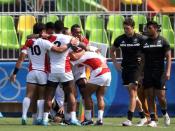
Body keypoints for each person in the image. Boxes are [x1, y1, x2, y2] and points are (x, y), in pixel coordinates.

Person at [10, 22, 74, 125]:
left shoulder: (28, 42)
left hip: (31, 72)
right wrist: (69, 44)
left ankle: (24, 116)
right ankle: (40, 118)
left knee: (28, 95)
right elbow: (58, 50)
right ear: (42, 31)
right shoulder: (45, 42)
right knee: (41, 97)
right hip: (43, 72)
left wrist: (14, 73)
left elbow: (21, 59)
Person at [42, 20, 81, 126]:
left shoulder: (49, 37)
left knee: (49, 96)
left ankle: (45, 119)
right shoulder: (69, 38)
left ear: (54, 28)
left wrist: (42, 34)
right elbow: (81, 45)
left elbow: (31, 37)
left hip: (52, 71)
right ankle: (72, 118)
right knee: (70, 94)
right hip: (66, 70)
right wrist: (90, 48)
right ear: (63, 28)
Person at [110, 18, 147, 126]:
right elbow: (112, 50)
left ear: (133, 28)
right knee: (133, 95)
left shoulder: (141, 38)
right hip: (125, 68)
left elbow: (149, 51)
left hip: (137, 68)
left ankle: (129, 119)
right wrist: (115, 63)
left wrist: (144, 62)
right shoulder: (120, 39)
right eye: (124, 28)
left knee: (132, 90)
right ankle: (143, 117)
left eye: (127, 28)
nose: (125, 30)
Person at [70, 49, 111, 126]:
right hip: (108, 73)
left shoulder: (83, 56)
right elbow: (105, 59)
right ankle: (100, 119)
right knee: (100, 96)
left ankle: (88, 120)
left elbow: (71, 62)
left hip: (99, 73)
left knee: (86, 94)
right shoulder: (95, 54)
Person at [142, 21, 171, 127]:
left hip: (160, 72)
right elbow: (143, 59)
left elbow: (168, 57)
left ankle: (165, 114)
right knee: (149, 95)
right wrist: (141, 74)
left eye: (149, 28)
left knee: (161, 97)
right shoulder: (145, 42)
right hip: (148, 72)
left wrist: (167, 72)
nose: (147, 30)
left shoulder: (163, 41)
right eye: (147, 28)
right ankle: (153, 119)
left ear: (155, 28)